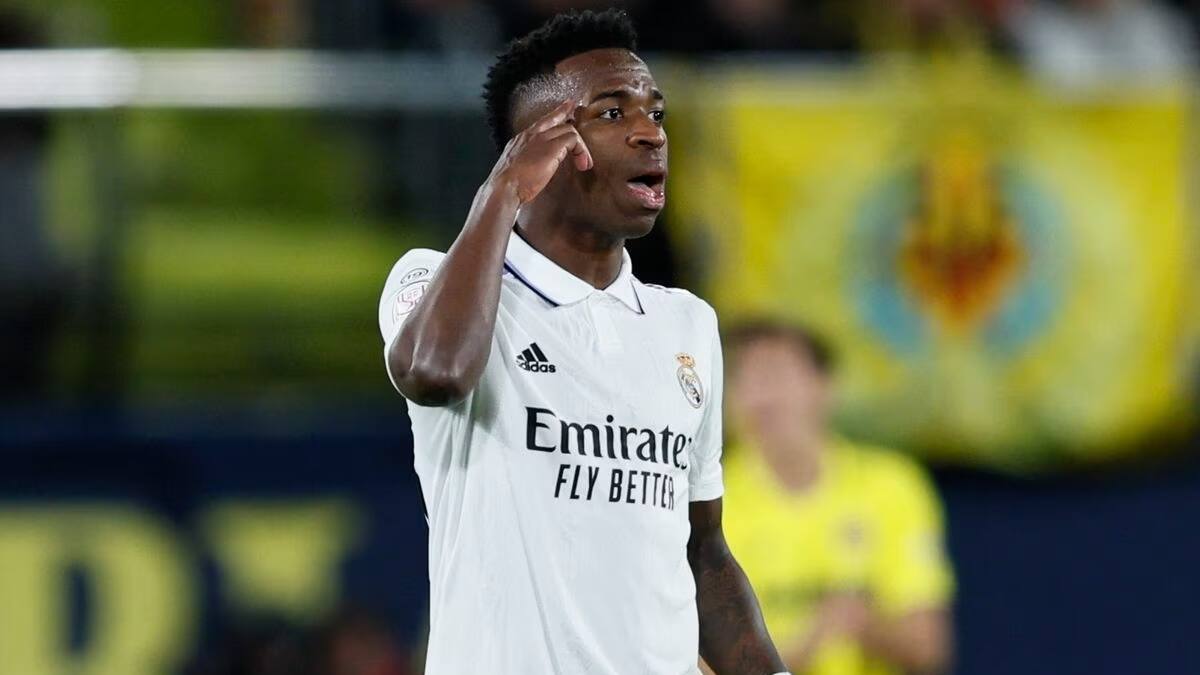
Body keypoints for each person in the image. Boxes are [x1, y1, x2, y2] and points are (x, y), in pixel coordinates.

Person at [376, 9, 788, 675]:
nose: (651, 132)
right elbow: (437, 371)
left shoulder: (686, 324)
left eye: (656, 111)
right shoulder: (434, 282)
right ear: (539, 146)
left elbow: (703, 552)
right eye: (613, 113)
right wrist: (502, 191)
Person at [719, 320, 954, 675]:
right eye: (742, 377)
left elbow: (929, 647)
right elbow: (700, 661)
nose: (760, 394)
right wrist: (813, 638)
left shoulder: (892, 486)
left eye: (775, 373)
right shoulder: (705, 499)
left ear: (825, 387)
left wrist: (864, 625)